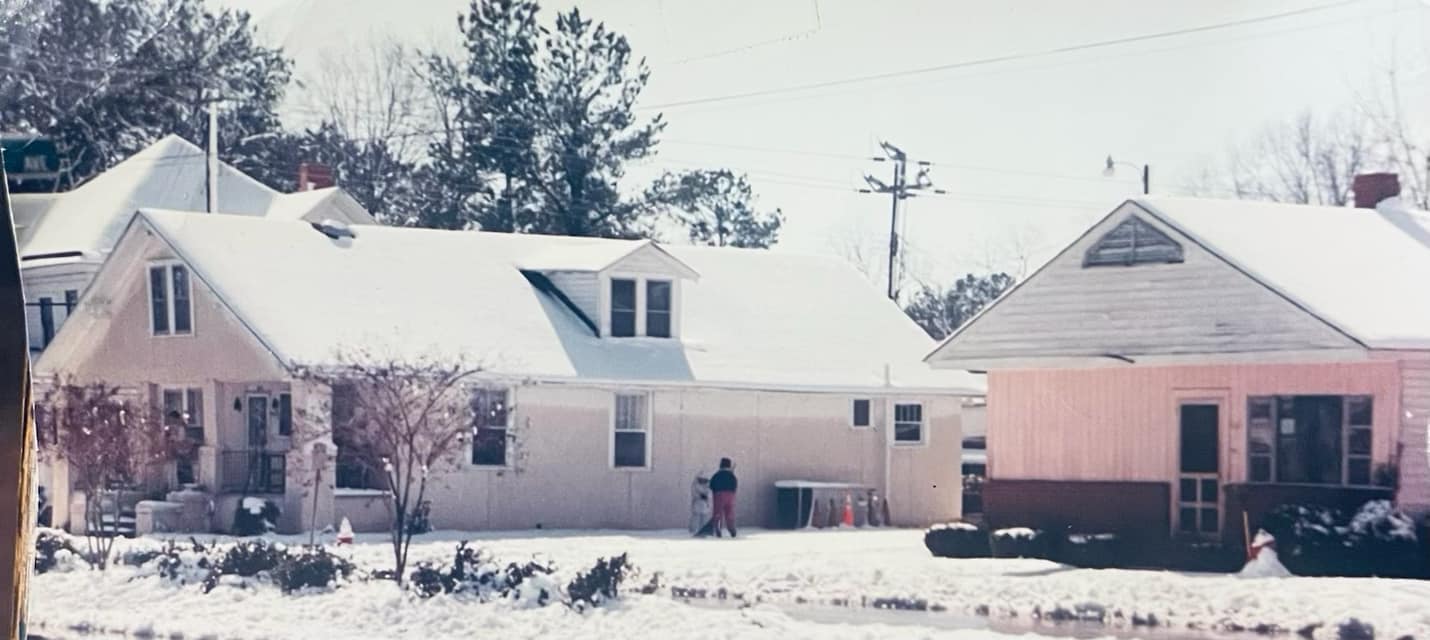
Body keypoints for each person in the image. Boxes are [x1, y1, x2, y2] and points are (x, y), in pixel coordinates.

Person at [709, 457, 738, 538]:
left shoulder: (717, 475)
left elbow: (712, 484)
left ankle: (718, 528)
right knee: (729, 512)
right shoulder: (732, 476)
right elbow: (735, 484)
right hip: (731, 495)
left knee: (718, 512)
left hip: (719, 494)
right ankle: (731, 527)